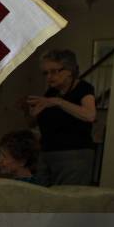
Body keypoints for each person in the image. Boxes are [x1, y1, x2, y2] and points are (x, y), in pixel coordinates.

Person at [27, 49, 96, 186]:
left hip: (73, 155)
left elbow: (90, 115)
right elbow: (35, 124)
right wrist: (32, 114)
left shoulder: (83, 88)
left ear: (69, 70)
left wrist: (58, 102)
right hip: (47, 154)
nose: (48, 77)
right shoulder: (51, 92)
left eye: (54, 71)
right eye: (45, 73)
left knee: (67, 201)